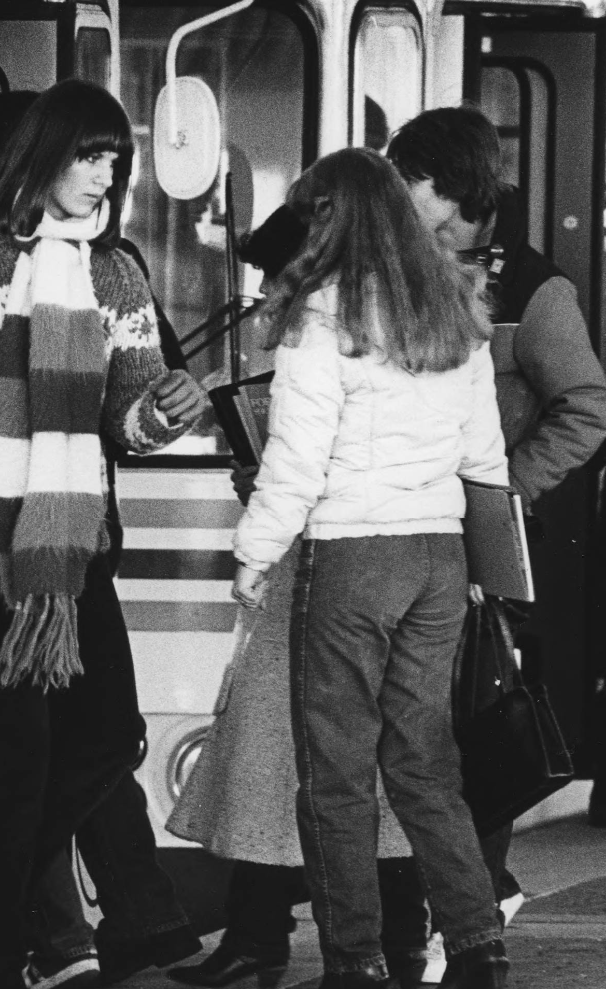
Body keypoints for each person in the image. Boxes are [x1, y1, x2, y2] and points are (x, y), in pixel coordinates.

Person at [0, 79, 201, 989]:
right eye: (87, 155)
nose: (103, 175)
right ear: (41, 154)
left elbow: (126, 418)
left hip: (69, 544)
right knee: (11, 763)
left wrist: (164, 413)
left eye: (114, 160)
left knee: (105, 738)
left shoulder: (115, 272)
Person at [230, 148, 511, 988]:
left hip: (352, 552)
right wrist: (485, 566)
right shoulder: (456, 310)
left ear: (331, 219)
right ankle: (475, 944)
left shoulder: (324, 316)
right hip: (436, 555)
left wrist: (254, 550)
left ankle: (354, 963)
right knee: (424, 764)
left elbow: (296, 458)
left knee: (335, 773)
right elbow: (484, 457)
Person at [165, 205, 432, 989]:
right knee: (326, 754)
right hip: (353, 565)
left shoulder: (327, 334)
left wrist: (256, 536)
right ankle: (303, 934)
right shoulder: (404, 322)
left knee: (326, 756)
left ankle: (343, 941)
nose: (265, 294)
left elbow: (308, 460)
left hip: (328, 567)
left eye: (276, 277)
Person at [386, 104, 606, 910]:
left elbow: (585, 405)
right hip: (413, 523)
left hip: (484, 539)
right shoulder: (399, 267)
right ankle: (455, 896)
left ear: (448, 185)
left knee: (471, 715)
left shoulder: (536, 289)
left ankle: (477, 890)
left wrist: (502, 488)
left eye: (409, 176)